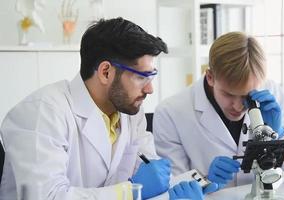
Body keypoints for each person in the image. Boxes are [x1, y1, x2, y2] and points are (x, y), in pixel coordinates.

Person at [0, 17, 172, 200]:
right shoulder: (41, 113)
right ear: (106, 72)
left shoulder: (130, 113)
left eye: (151, 76)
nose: (150, 89)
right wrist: (130, 191)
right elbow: (48, 196)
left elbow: (149, 174)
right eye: (141, 77)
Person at [153, 32, 284, 191]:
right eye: (229, 94)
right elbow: (172, 188)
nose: (238, 106)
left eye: (247, 96)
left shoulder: (272, 94)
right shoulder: (170, 112)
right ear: (210, 77)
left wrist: (280, 134)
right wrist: (206, 180)